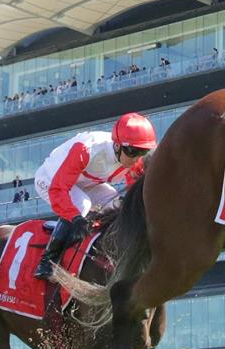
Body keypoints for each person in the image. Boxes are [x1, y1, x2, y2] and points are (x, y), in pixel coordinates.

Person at [32, 112, 157, 280]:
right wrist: (75, 218)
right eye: (132, 152)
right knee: (81, 205)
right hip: (51, 178)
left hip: (84, 181)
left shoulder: (134, 160)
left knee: (117, 205)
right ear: (118, 145)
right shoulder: (87, 149)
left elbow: (134, 196)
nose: (136, 159)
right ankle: (48, 261)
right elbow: (58, 189)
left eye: (142, 153)